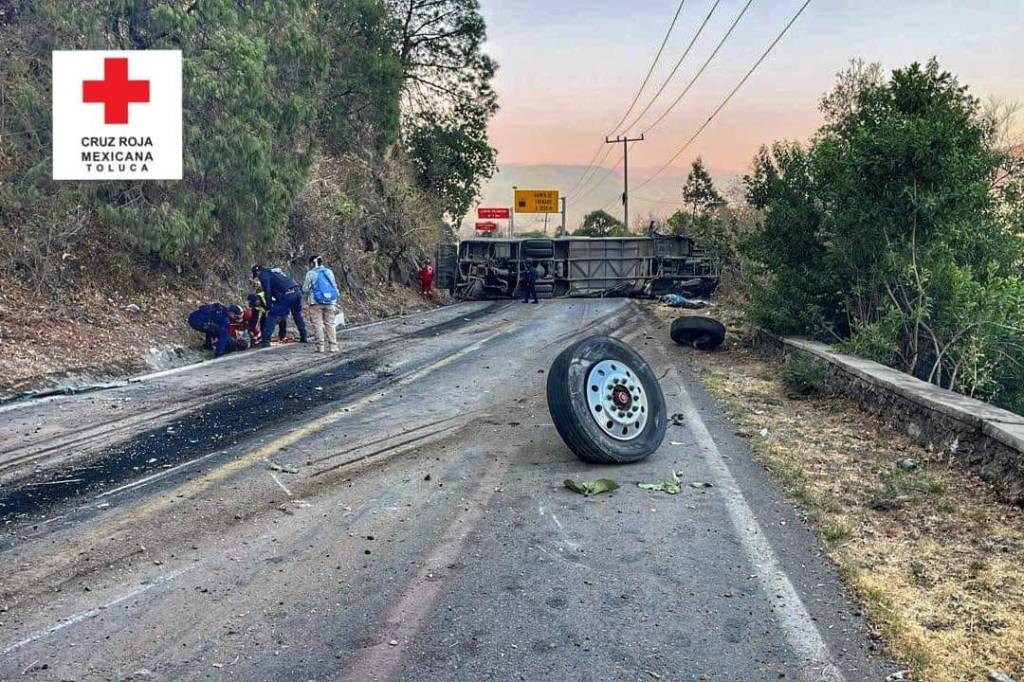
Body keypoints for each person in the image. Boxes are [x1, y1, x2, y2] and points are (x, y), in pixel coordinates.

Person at [252, 264, 308, 348]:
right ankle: (304, 336)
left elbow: (267, 292)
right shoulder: (275, 271)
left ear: (258, 272)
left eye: (256, 276)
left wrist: (268, 307)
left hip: (287, 294)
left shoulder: (263, 274)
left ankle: (266, 340)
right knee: (296, 314)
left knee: (272, 314)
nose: (258, 278)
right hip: (297, 291)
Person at [302, 255, 340, 353]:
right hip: (330, 301)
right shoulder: (329, 272)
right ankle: (333, 346)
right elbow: (334, 285)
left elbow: (305, 289)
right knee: (330, 324)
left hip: (315, 302)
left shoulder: (310, 273)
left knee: (318, 324)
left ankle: (320, 347)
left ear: (311, 263)